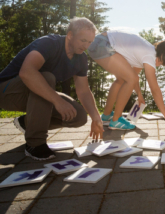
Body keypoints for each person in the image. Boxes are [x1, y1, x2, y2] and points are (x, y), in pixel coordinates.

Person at [0, 17, 104, 160]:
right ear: (70, 35)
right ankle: (35, 144)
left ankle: (27, 123)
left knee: (78, 116)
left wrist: (96, 118)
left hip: (36, 95)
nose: (86, 46)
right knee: (47, 77)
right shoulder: (49, 43)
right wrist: (58, 101)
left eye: (90, 42)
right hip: (7, 92)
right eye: (83, 40)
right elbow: (27, 72)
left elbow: (84, 91)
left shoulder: (81, 58)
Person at [87, 31, 165, 130]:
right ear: (162, 56)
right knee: (129, 79)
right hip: (102, 44)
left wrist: (139, 95)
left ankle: (106, 115)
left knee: (121, 79)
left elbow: (133, 76)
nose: (163, 65)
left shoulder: (146, 53)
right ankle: (116, 120)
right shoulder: (150, 56)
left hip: (98, 43)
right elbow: (154, 89)